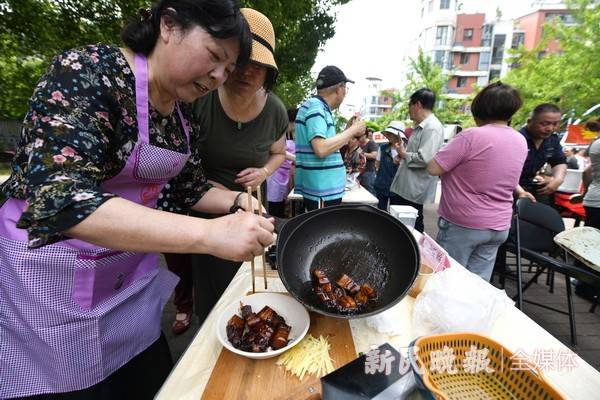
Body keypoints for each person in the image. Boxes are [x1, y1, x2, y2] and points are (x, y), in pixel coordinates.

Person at [0, 2, 275, 399]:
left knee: (150, 382)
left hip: (126, 285)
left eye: (227, 70)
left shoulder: (183, 117)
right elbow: (61, 199)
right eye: (215, 57)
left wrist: (237, 202)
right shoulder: (88, 71)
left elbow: (189, 189)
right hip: (49, 288)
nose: (218, 77)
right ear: (168, 24)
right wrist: (208, 236)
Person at [162, 8, 287, 332]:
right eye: (239, 63)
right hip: (207, 208)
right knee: (213, 287)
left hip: (252, 206)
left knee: (252, 280)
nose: (247, 72)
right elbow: (183, 172)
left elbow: (278, 153)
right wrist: (215, 192)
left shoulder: (274, 109)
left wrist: (263, 173)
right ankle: (212, 332)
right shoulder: (197, 98)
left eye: (258, 67)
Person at [427, 82, 527, 281]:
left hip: (464, 223)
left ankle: (444, 313)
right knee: (478, 283)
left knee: (448, 280)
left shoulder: (471, 136)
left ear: (479, 108)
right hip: (499, 225)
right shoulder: (519, 139)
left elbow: (433, 168)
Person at [294, 65, 366, 211]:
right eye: (345, 88)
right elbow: (321, 149)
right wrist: (353, 130)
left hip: (322, 189)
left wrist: (347, 131)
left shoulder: (317, 107)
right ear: (339, 89)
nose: (345, 93)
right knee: (322, 230)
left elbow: (328, 147)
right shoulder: (316, 107)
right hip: (322, 191)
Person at [389, 88, 444, 232]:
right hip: (407, 188)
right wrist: (402, 157)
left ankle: (415, 253)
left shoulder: (432, 127)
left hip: (413, 191)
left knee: (412, 229)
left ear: (417, 105)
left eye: (410, 105)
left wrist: (403, 154)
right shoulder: (422, 127)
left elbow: (425, 158)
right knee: (401, 226)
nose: (409, 110)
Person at [515, 103, 567, 204]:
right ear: (529, 122)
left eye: (555, 124)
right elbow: (504, 172)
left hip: (533, 186)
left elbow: (559, 161)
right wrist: (520, 191)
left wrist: (558, 179)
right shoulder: (516, 139)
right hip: (510, 188)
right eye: (544, 123)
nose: (550, 128)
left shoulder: (552, 140)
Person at [267, 108, 297, 218]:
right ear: (293, 122)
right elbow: (275, 150)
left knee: (281, 206)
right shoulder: (278, 131)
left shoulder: (289, 134)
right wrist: (295, 158)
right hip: (274, 175)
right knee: (274, 209)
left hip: (284, 176)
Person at [374, 121, 406, 210]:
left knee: (395, 212)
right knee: (380, 212)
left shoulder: (406, 150)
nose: (387, 135)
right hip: (382, 185)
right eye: (388, 133)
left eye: (390, 133)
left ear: (398, 135)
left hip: (398, 188)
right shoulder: (382, 148)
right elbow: (377, 164)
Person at [358, 128, 379, 195]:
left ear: (365, 135)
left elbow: (374, 155)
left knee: (369, 192)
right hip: (360, 172)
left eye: (361, 136)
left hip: (369, 172)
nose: (359, 138)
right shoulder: (359, 144)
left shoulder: (371, 143)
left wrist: (362, 153)